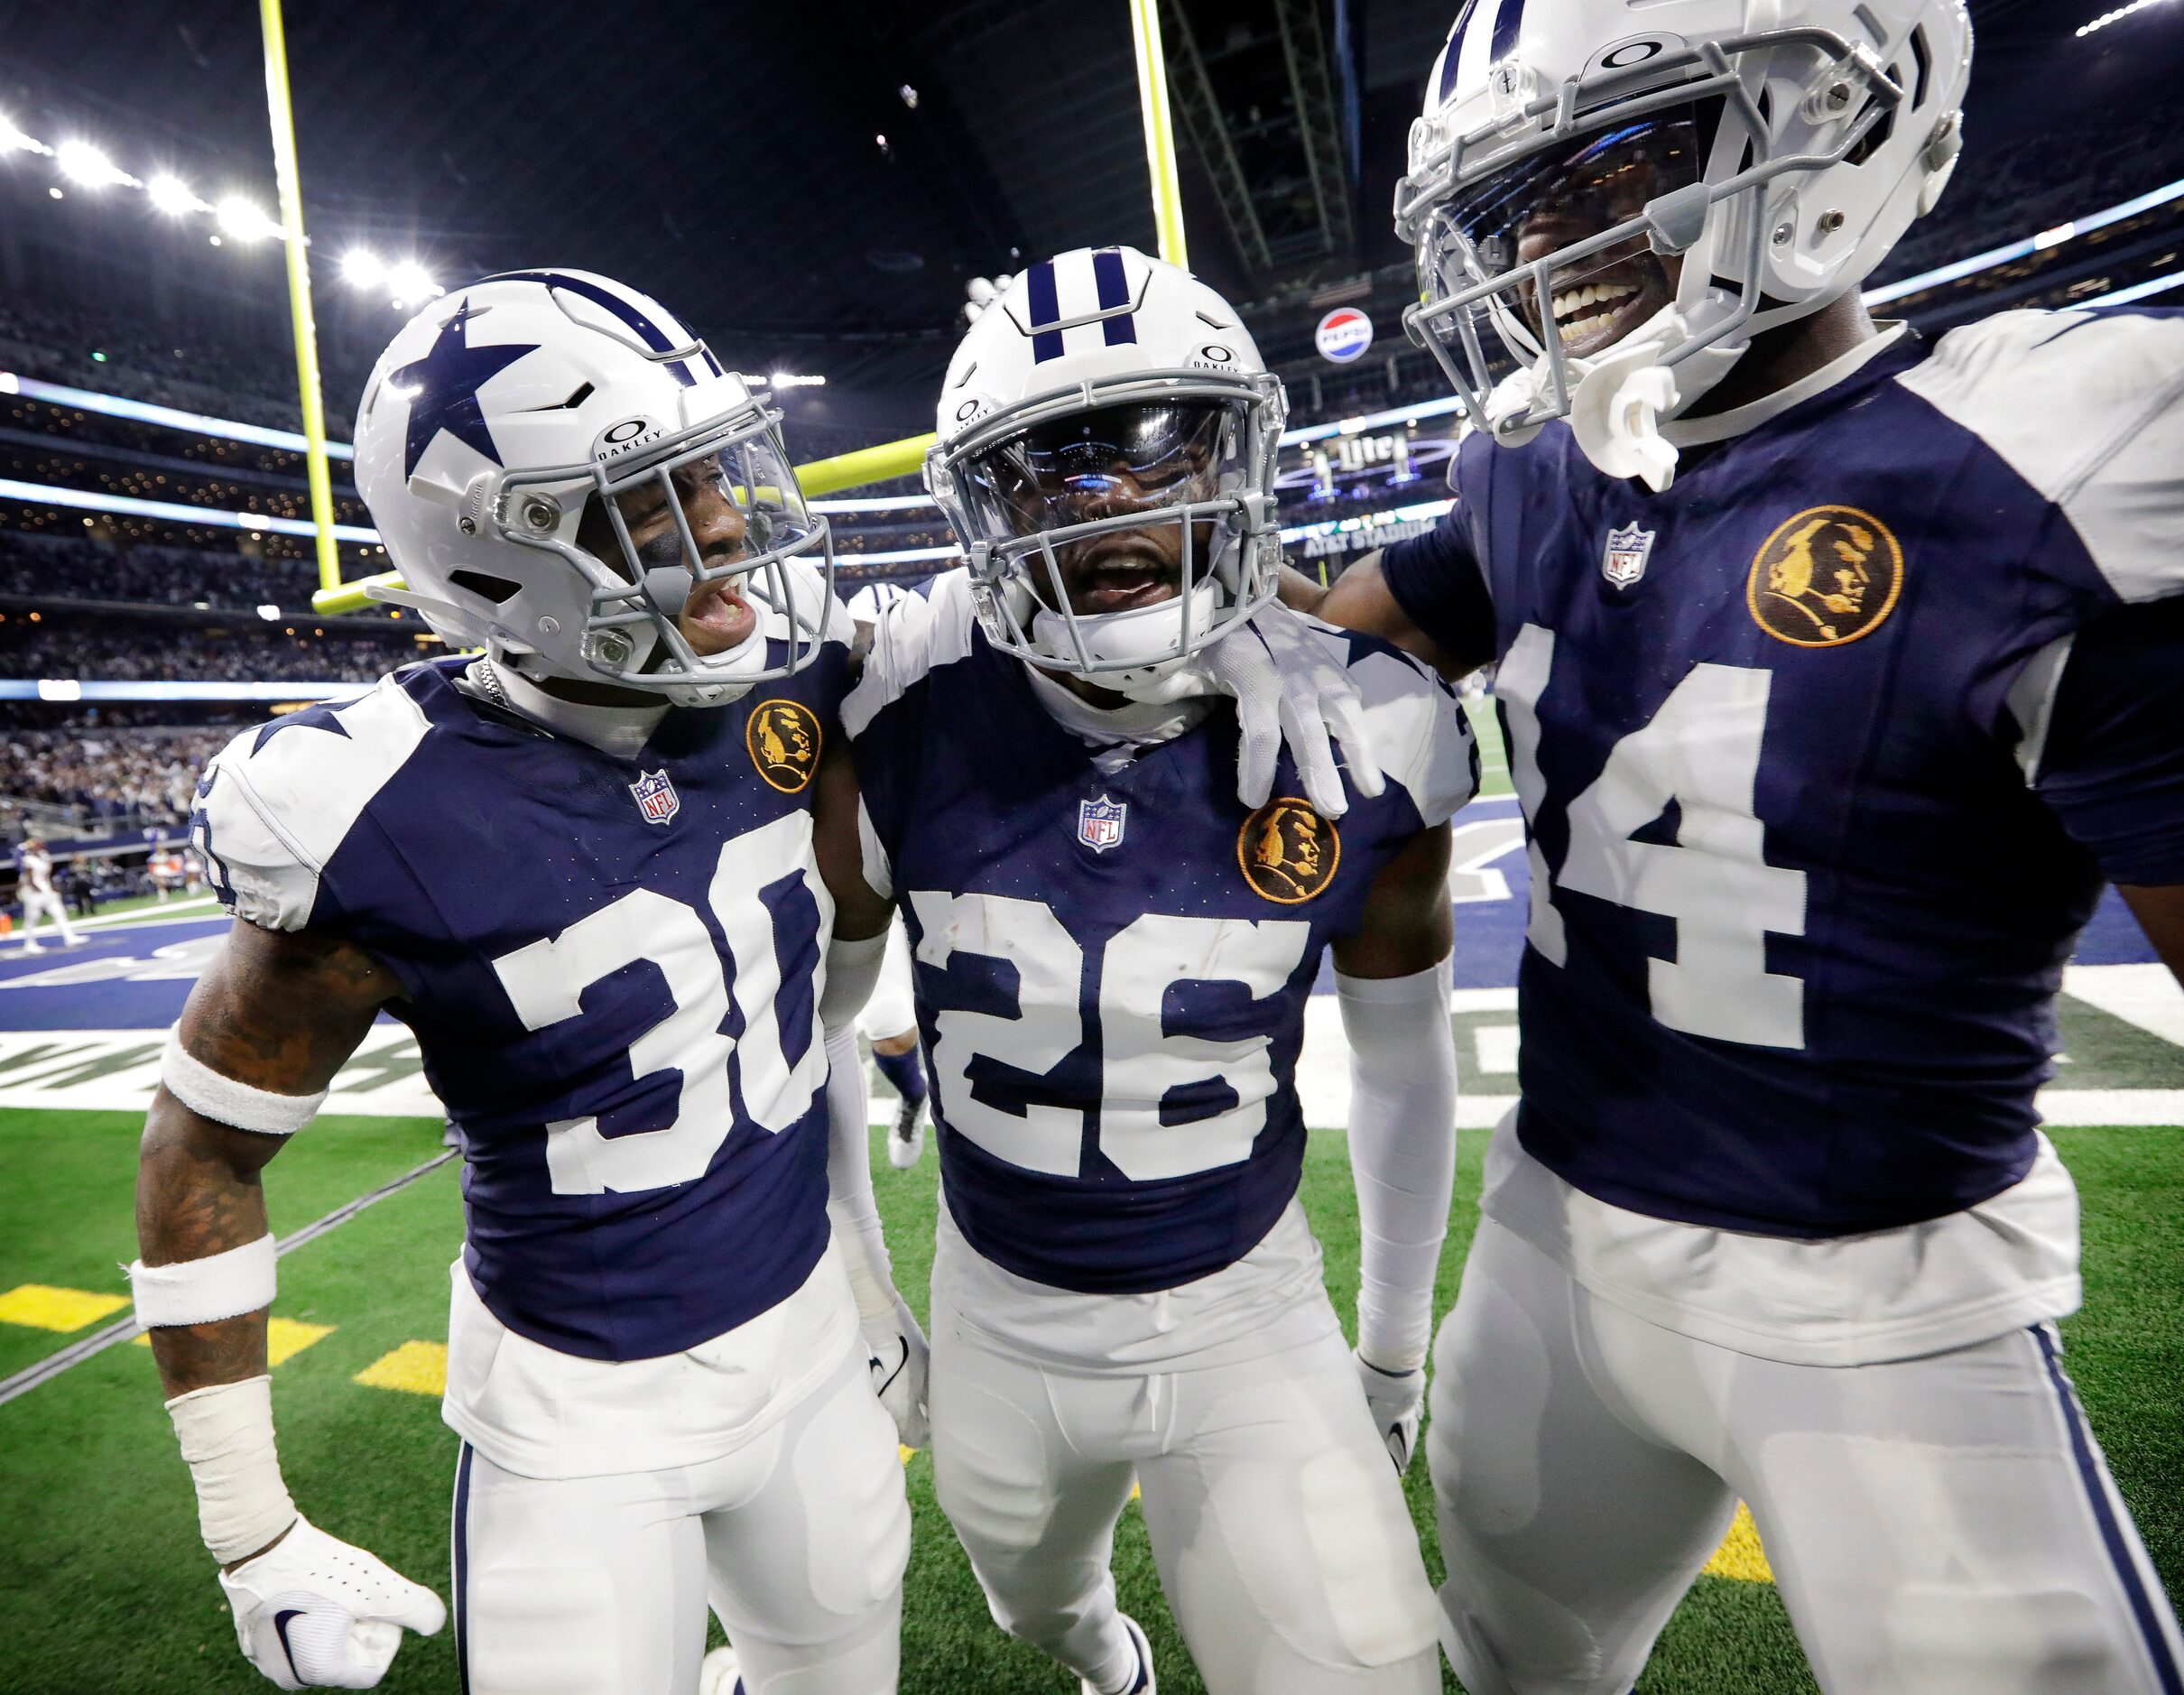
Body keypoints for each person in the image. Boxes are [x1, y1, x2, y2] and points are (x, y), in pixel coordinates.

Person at [1287, 4, 2184, 1691]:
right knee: (1500, 1662)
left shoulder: (2040, 470)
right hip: (1552, 1237)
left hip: (1888, 1304)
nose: (1548, 238)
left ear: (1830, 111)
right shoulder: (1531, 468)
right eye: (1512, 201)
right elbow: (1362, 639)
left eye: (1606, 158)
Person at [134, 271, 927, 1695]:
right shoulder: (374, 806)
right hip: (574, 1420)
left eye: (713, 476)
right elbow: (202, 1151)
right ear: (507, 550)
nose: (731, 524)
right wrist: (249, 1530)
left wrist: (863, 1279)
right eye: (658, 501)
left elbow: (812, 1039)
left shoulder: (793, 679)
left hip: (811, 1355)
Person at [842, 247, 1476, 1695]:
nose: (1117, 497)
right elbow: (807, 1031)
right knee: (1035, 1607)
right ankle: (1104, 1664)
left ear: (1239, 453)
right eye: (1050, 469)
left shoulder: (1373, 723)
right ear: (978, 510)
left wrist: (1390, 1347)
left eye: (1161, 446)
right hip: (1001, 1308)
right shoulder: (889, 694)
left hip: (1251, 1311)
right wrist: (861, 1283)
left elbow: (1402, 1052)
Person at [843, 580, 934, 1170]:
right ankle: (912, 1094)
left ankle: (920, 1095)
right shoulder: (826, 700)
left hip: (928, 870)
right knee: (887, 1027)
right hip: (857, 875)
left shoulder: (949, 692)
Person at [15, 835, 80, 952]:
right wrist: (36, 888)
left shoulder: (44, 857)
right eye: (37, 846)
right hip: (32, 891)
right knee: (33, 916)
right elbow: (28, 875)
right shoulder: (28, 859)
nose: (40, 848)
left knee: (59, 911)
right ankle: (29, 943)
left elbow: (47, 874)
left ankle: (69, 937)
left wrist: (51, 886)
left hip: (45, 888)